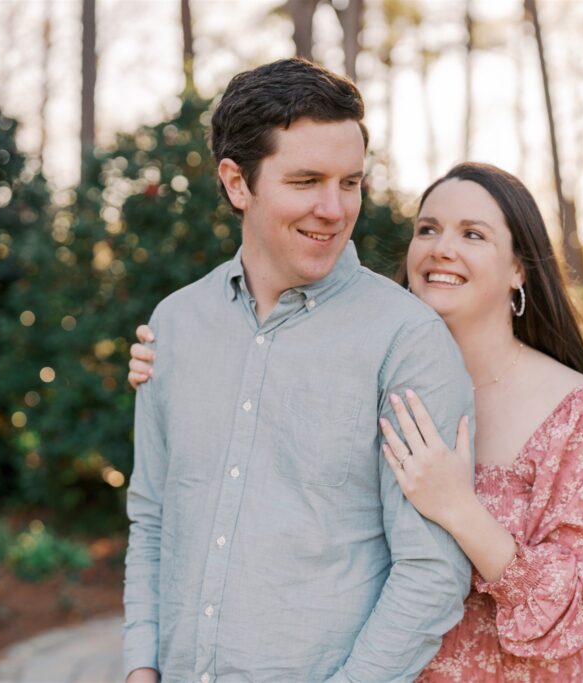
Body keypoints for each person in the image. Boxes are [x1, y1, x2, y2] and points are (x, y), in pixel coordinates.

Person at [130, 161, 583, 681]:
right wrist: (175, 360)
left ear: (519, 269)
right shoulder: (361, 372)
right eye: (427, 229)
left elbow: (573, 608)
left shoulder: (582, 414)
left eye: (473, 234)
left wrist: (461, 509)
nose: (441, 247)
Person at [121, 58, 475, 683]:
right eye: (307, 180)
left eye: (350, 183)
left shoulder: (407, 339)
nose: (334, 209)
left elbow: (431, 572)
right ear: (237, 183)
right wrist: (140, 667)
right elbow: (153, 518)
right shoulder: (174, 326)